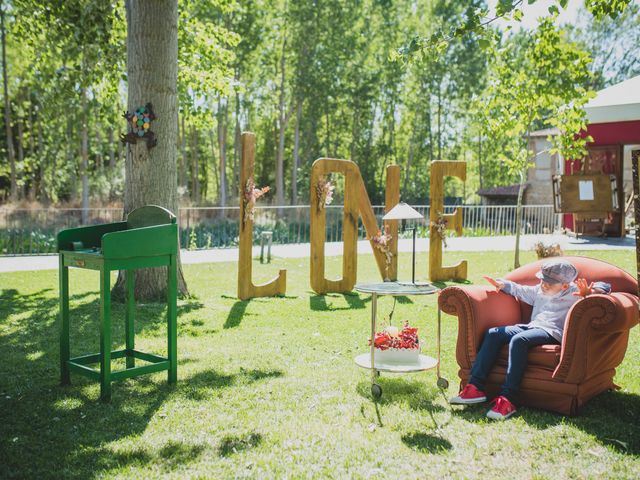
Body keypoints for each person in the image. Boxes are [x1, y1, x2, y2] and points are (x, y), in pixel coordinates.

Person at [449, 259, 611, 420]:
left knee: (519, 341)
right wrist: (503, 284)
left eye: (550, 283)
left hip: (552, 332)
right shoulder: (539, 291)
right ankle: (475, 387)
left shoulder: (574, 292)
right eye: (543, 280)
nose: (544, 285)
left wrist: (591, 293)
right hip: (532, 327)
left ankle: (508, 399)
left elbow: (606, 286)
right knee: (494, 333)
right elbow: (520, 290)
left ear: (565, 285)